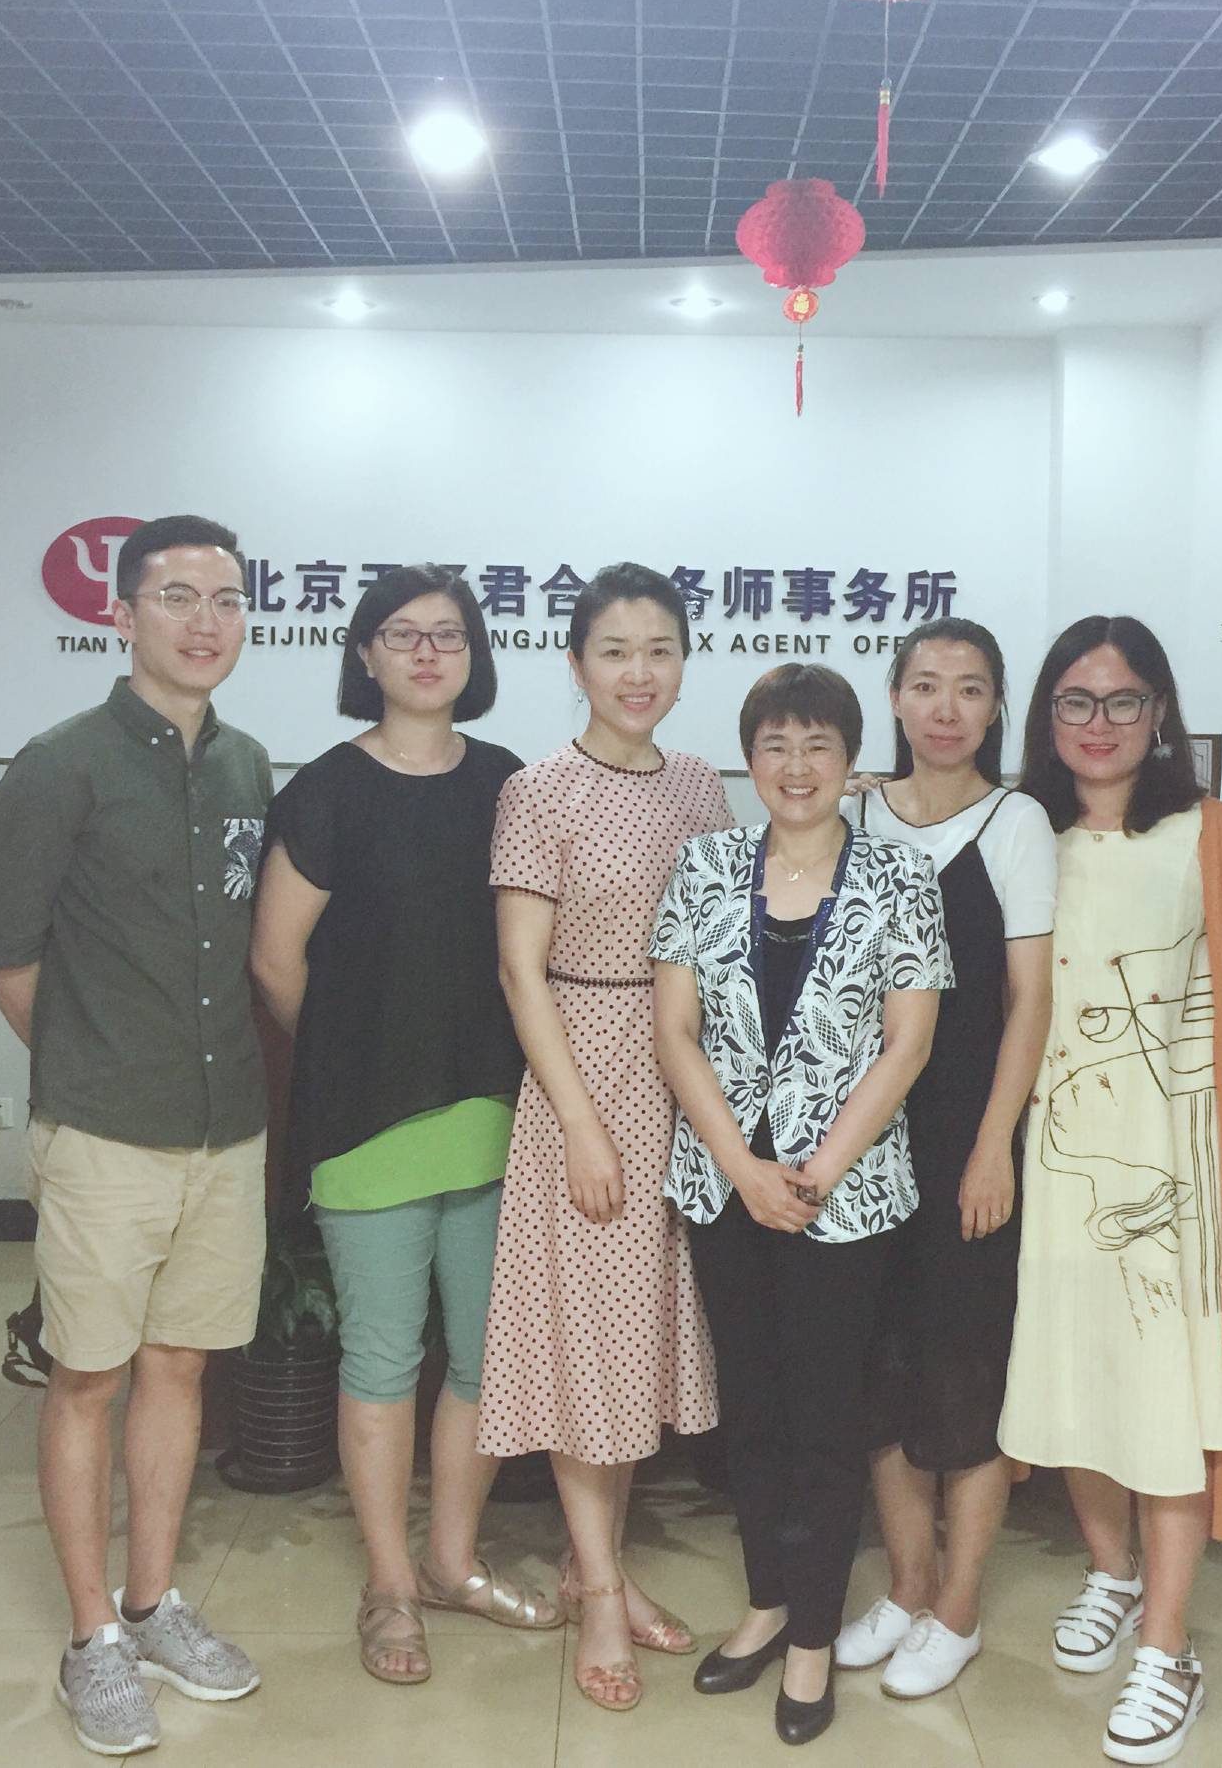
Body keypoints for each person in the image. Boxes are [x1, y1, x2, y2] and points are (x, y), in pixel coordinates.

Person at [0, 514, 270, 1758]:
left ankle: (152, 1604)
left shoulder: (248, 766)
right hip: (103, 1128)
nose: (206, 622)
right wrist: (94, 1062)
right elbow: (9, 957)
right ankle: (91, 1634)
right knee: (87, 1376)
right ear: (122, 613)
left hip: (227, 1125)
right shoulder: (61, 766)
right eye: (178, 597)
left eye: (227, 600)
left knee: (180, 1366)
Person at [250, 563, 559, 1687]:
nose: (428, 653)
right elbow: (276, 962)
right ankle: (388, 1583)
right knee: (382, 1355)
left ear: (475, 656)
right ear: (364, 654)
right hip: (367, 1120)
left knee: (481, 1356)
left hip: (495, 1112)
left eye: (449, 634)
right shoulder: (326, 791)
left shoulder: (510, 782)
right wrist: (361, 1048)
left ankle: (451, 1561)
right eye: (403, 634)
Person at [998, 616, 1222, 1766]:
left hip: (1182, 1167)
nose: (1099, 723)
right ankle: (1110, 1573)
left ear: (1159, 711)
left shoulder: (1210, 833)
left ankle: (1168, 1647)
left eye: (1123, 701)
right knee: (1076, 1373)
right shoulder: (1023, 833)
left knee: (1171, 1395)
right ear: (1046, 716)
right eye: (1076, 701)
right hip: (1058, 1162)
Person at [652, 663, 952, 1747]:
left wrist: (816, 1170)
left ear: (849, 759)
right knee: (754, 1408)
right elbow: (675, 1031)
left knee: (827, 1414)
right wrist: (742, 1166)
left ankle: (815, 1634)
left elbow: (907, 1044)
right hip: (725, 1186)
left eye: (818, 744)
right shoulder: (705, 865)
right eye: (775, 744)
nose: (795, 765)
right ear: (751, 758)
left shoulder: (901, 875)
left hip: (848, 1195)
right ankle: (768, 1602)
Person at [476, 562, 733, 1713]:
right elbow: (517, 971)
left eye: (659, 650)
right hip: (582, 1078)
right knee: (588, 1347)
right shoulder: (538, 791)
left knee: (634, 1350)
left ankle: (607, 1571)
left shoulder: (699, 783)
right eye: (616, 651)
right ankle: (596, 1595)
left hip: (682, 1079)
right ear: (576, 663)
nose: (639, 672)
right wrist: (581, 1123)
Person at [833, 619, 1057, 1698]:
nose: (945, 708)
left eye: (970, 688)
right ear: (894, 697)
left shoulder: (1017, 822)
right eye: (925, 685)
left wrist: (993, 1148)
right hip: (859, 1142)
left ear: (997, 707)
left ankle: (959, 1606)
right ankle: (909, 1582)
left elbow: (1028, 1000)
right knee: (876, 1365)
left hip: (966, 1133)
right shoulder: (851, 814)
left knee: (964, 1369)